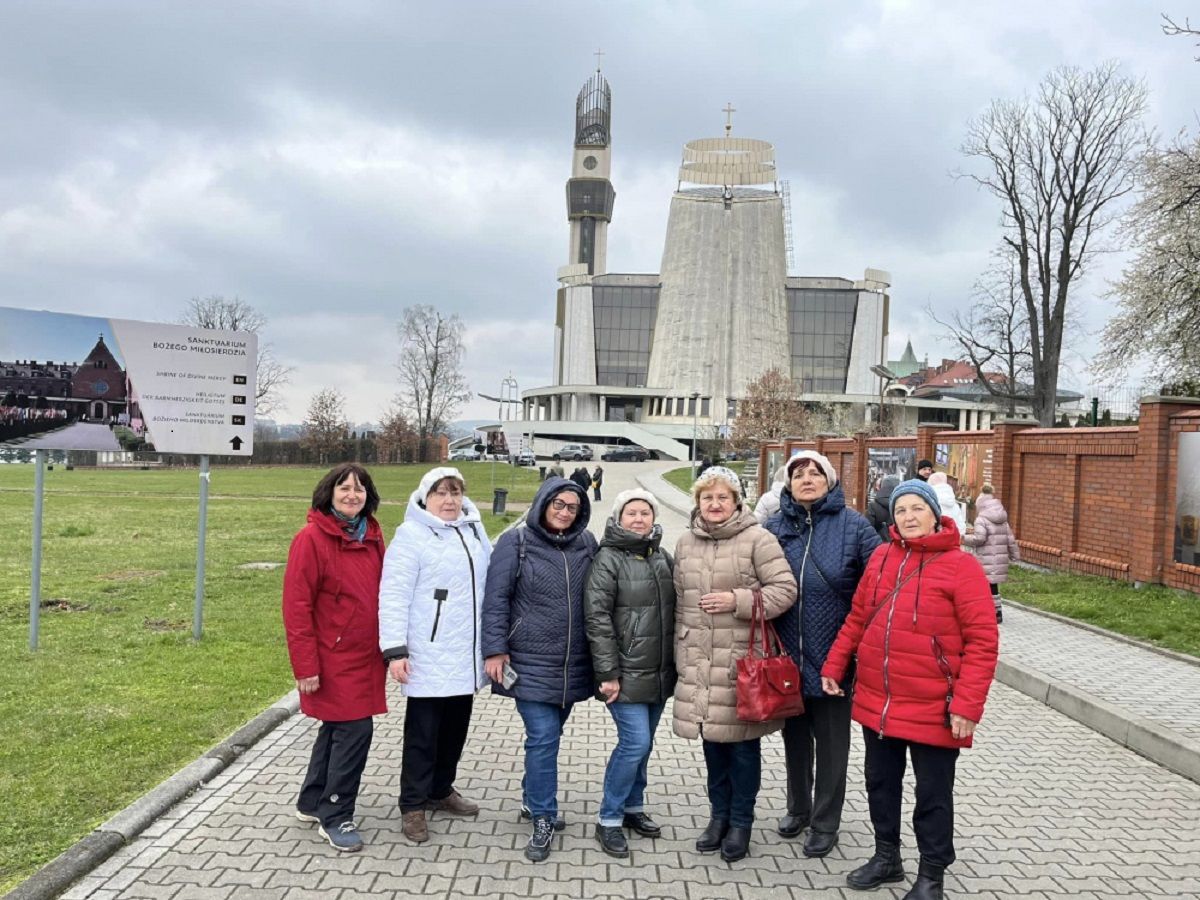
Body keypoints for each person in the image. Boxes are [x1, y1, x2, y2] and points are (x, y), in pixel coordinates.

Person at [821, 479, 998, 899]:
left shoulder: (962, 566)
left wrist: (967, 706)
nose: (909, 516)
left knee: (932, 794)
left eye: (918, 508)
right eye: (902, 510)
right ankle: (887, 858)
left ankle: (932, 875)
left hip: (935, 704)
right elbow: (858, 618)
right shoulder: (882, 557)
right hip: (878, 699)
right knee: (880, 783)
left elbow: (983, 641)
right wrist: (835, 664)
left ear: (936, 514)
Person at [673, 465, 797, 863]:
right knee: (712, 747)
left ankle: (741, 822)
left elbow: (785, 590)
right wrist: (681, 653)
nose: (714, 504)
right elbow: (680, 604)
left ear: (736, 501)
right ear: (697, 502)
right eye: (707, 497)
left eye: (722, 497)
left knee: (742, 750)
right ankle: (718, 817)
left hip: (742, 662)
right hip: (700, 661)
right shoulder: (685, 544)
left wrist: (737, 601)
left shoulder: (758, 539)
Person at [763, 451, 881, 858]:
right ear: (788, 482)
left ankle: (826, 822)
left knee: (831, 746)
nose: (807, 479)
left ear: (830, 482)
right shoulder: (774, 526)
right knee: (795, 740)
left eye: (816, 473)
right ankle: (798, 809)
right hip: (787, 659)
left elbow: (878, 583)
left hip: (836, 658)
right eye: (799, 473)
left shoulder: (854, 527)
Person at [481, 477, 598, 863]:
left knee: (550, 736)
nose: (565, 512)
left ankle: (532, 799)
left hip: (571, 662)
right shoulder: (515, 543)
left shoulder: (586, 544)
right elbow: (496, 599)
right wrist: (495, 649)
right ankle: (544, 816)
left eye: (572, 507)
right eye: (558, 505)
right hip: (527, 660)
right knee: (544, 736)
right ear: (543, 503)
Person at [379, 467, 491, 844]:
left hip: (464, 653)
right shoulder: (411, 536)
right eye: (441, 493)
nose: (449, 501)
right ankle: (412, 804)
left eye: (455, 493)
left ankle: (441, 790)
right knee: (423, 734)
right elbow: (393, 595)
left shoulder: (473, 531)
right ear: (426, 497)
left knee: (455, 730)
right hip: (427, 653)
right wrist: (395, 651)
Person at [282, 463, 387, 853]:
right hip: (332, 657)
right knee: (354, 732)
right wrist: (305, 666)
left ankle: (311, 801)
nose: (352, 495)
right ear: (329, 493)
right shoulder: (311, 539)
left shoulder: (373, 536)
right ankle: (336, 813)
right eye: (344, 488)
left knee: (336, 729)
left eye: (359, 490)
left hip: (366, 655)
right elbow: (296, 607)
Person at [583, 488, 676, 859]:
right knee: (634, 742)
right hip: (624, 671)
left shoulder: (660, 556)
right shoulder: (608, 558)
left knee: (645, 744)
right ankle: (608, 818)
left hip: (658, 671)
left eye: (645, 513)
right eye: (631, 513)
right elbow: (597, 617)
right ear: (619, 518)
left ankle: (633, 808)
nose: (639, 519)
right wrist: (608, 672)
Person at [961, 483, 1019, 624]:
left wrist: (963, 539)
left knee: (981, 586)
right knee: (993, 587)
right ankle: (997, 613)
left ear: (981, 505)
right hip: (998, 560)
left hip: (985, 559)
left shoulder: (981, 519)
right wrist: (1015, 556)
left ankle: (983, 612)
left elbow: (979, 539)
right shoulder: (1002, 518)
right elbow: (1010, 539)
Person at [926, 472, 966, 537]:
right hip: (951, 541)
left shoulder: (928, 501)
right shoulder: (954, 504)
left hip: (932, 541)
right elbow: (961, 527)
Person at [866, 474, 901, 543]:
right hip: (899, 548)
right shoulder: (903, 506)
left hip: (878, 547)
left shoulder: (873, 506)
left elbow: (867, 531)